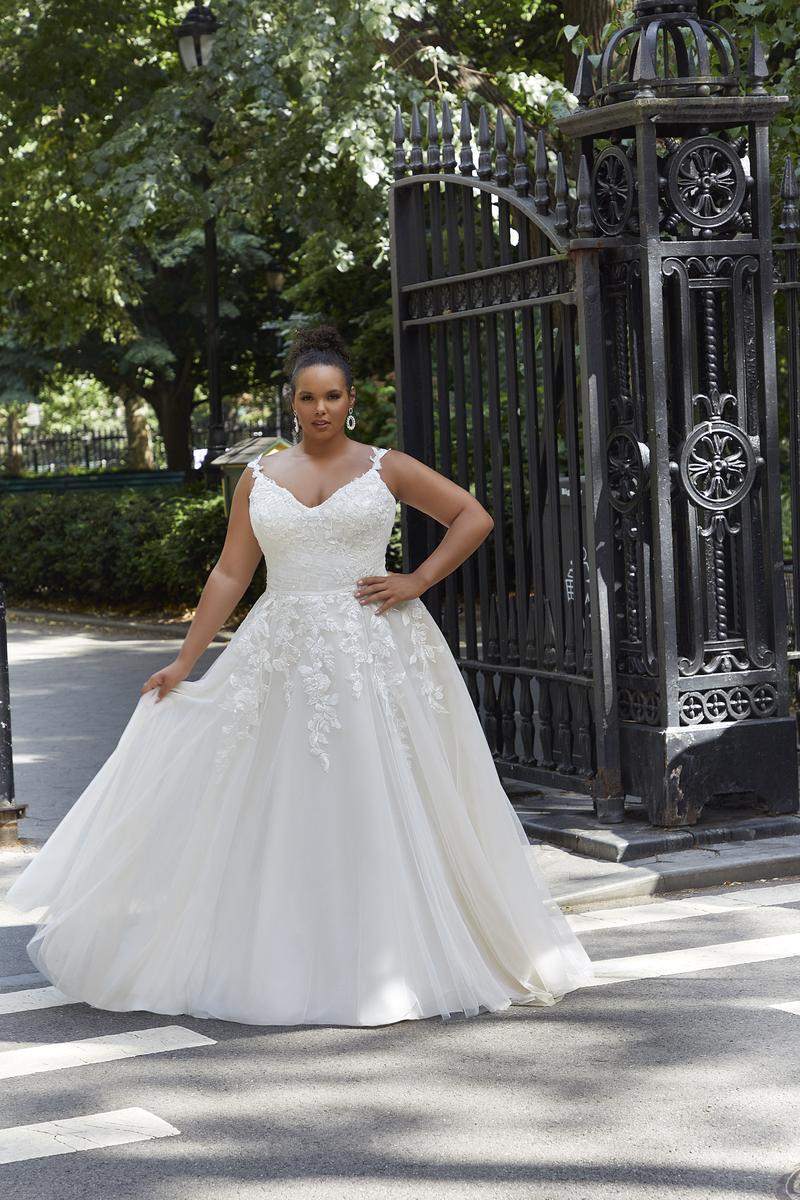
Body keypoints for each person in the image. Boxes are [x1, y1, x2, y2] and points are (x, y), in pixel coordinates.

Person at [5, 324, 596, 1027]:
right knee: (280, 796)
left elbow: (472, 516)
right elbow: (232, 572)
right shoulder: (259, 477)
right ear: (292, 401)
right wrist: (185, 661)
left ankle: (390, 951)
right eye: (309, 397)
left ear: (352, 399)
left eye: (333, 396)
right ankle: (282, 949)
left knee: (382, 791)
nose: (321, 409)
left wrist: (417, 579)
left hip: (375, 649)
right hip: (280, 653)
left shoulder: (386, 466)